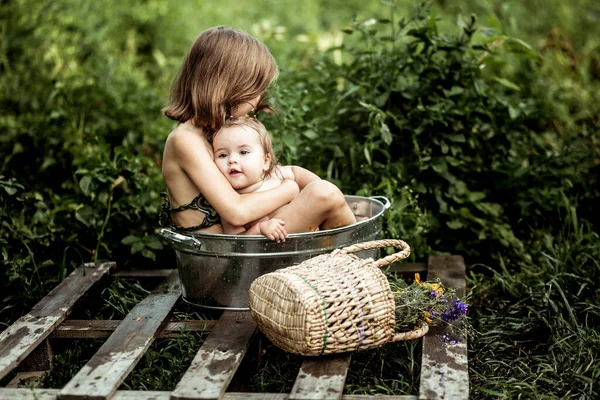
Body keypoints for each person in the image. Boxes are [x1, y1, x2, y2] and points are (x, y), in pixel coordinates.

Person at [161, 26, 356, 238]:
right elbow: (236, 212)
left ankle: (341, 258)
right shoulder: (185, 139)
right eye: (254, 91)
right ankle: (356, 258)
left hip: (245, 245)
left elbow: (268, 175)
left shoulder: (218, 129)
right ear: (229, 86)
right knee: (324, 195)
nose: (256, 102)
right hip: (221, 260)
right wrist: (289, 190)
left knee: (324, 195)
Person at [212, 117, 356, 241]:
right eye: (222, 155)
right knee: (324, 192)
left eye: (243, 152)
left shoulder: (275, 174)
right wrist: (260, 228)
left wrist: (315, 187)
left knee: (325, 192)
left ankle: (352, 240)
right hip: (279, 245)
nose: (232, 160)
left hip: (317, 231)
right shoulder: (229, 199)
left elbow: (296, 172)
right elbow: (237, 242)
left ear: (265, 161)